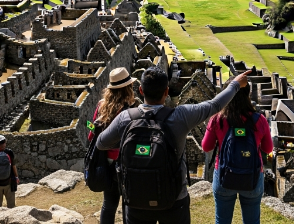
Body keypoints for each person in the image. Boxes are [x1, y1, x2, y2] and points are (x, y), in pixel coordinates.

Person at [97, 67, 250, 224]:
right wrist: (235, 85)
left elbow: (101, 143)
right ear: (166, 91)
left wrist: (128, 141)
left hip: (136, 198)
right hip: (174, 198)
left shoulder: (126, 118)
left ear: (141, 90)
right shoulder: (180, 116)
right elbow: (215, 105)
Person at [202, 85, 272, 224]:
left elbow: (206, 146)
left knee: (222, 221)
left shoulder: (217, 119)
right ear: (248, 95)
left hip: (224, 175)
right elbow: (268, 148)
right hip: (252, 176)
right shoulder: (260, 120)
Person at [88, 67, 137, 224]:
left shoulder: (101, 105)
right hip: (124, 161)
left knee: (109, 203)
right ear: (128, 87)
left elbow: (91, 134)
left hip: (105, 161)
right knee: (128, 203)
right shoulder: (130, 109)